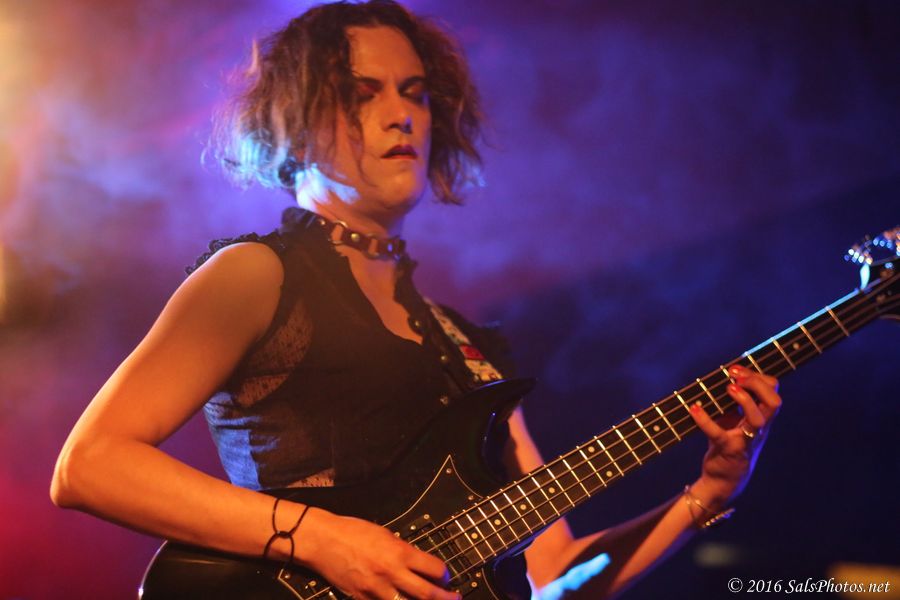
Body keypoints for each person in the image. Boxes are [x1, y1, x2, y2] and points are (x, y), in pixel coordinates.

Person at [50, 1, 781, 598]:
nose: (402, 114)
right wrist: (323, 538)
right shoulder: (255, 274)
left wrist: (704, 497)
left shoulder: (468, 347)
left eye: (414, 92)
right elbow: (90, 464)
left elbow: (554, 576)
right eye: (362, 93)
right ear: (294, 123)